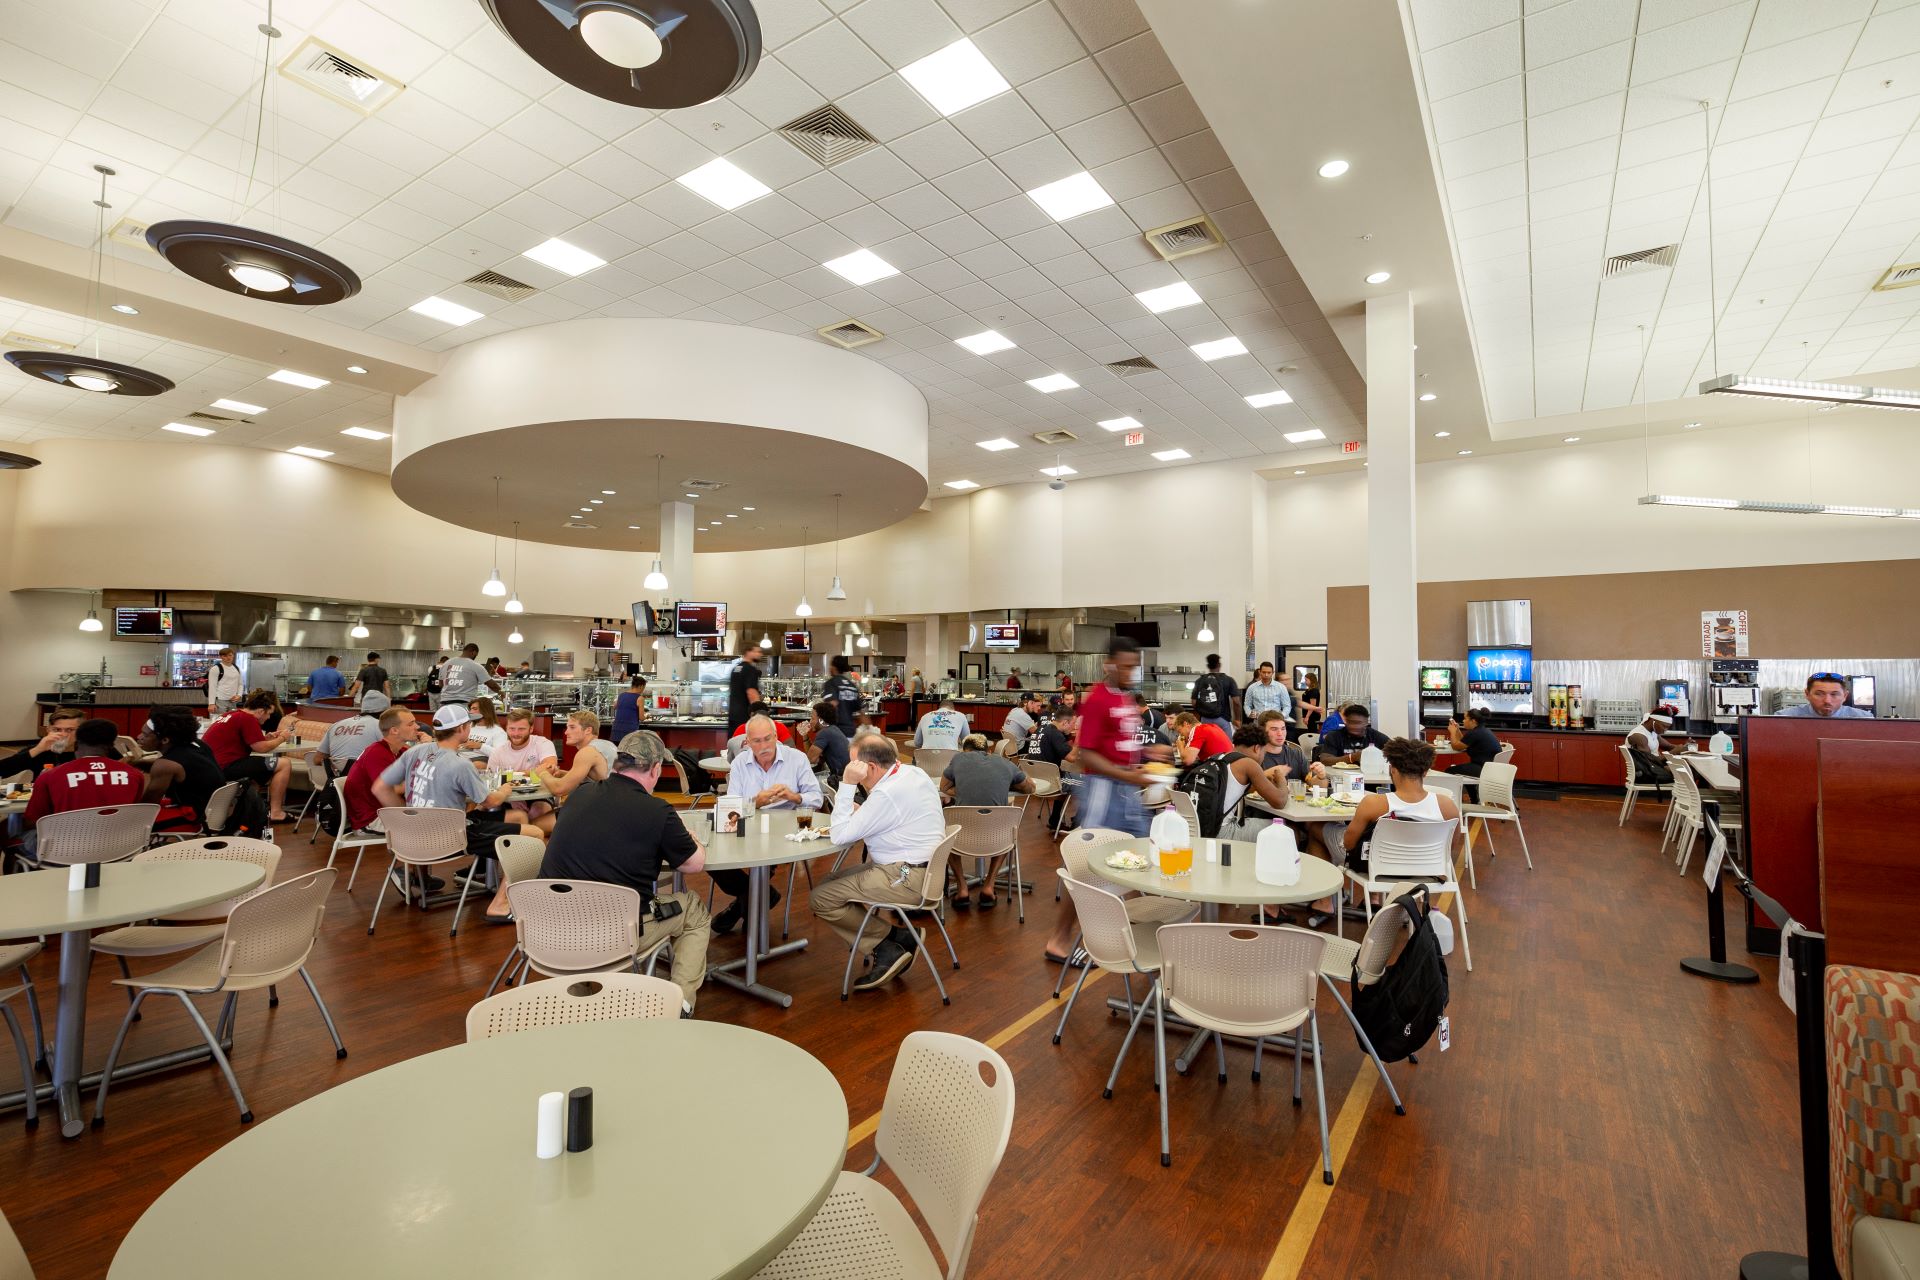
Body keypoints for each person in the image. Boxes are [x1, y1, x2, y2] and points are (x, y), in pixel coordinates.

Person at [538, 731, 712, 1013]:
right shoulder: (657, 811)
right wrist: (693, 838)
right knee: (693, 909)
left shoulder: (580, 793)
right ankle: (679, 1003)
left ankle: (586, 995)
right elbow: (694, 864)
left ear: (618, 763)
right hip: (615, 934)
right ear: (655, 770)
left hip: (553, 928)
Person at [1046, 635, 1169, 967]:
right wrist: (1128, 775)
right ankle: (1060, 939)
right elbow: (1086, 753)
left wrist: (1147, 753)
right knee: (1089, 864)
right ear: (1110, 665)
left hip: (1127, 789)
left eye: (1135, 667)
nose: (1132, 672)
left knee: (1142, 857)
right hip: (1104, 789)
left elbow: (1119, 744)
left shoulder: (1125, 699)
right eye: (1127, 666)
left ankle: (1136, 933)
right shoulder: (1098, 699)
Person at [809, 735, 948, 991]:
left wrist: (847, 783)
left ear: (871, 767)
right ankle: (900, 936)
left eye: (855, 766)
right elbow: (895, 817)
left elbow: (839, 835)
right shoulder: (912, 773)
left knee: (821, 897)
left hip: (906, 876)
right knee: (830, 881)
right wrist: (864, 812)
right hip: (920, 869)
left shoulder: (885, 793)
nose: (852, 770)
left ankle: (886, 943)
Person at [374, 704, 540, 902]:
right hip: (449, 838)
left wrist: (406, 819)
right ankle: (504, 900)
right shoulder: (461, 764)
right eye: (469, 723)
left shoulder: (415, 752)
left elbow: (379, 788)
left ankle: (485, 876)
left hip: (413, 838)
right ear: (462, 729)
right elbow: (490, 801)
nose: (471, 727)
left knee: (515, 818)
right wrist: (505, 789)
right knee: (535, 834)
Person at [707, 714, 821, 936]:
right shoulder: (740, 762)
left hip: (786, 830)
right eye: (757, 741)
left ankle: (745, 919)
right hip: (747, 828)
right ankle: (760, 895)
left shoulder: (796, 759)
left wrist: (794, 796)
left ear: (776, 737)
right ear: (747, 743)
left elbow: (816, 798)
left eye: (768, 739)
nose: (764, 746)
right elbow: (732, 805)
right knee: (712, 858)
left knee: (763, 858)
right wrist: (754, 803)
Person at [1332, 737, 1460, 885]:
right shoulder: (1447, 805)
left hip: (1375, 869)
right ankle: (1382, 900)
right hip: (1427, 870)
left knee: (1317, 829)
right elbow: (1448, 848)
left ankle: (1325, 902)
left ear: (1392, 769)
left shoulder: (1373, 803)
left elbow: (1348, 844)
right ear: (1425, 772)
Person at [940, 735, 1033, 911]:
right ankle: (989, 886)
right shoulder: (1004, 762)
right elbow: (1030, 788)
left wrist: (963, 788)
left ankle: (962, 889)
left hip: (961, 840)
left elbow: (944, 787)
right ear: (988, 751)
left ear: (964, 750)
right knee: (1007, 829)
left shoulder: (958, 759)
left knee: (947, 833)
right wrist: (1003, 785)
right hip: (997, 840)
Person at [23, 718, 147, 830]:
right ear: (111, 746)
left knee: (11, 831)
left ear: (77, 745)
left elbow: (34, 821)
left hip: (64, 849)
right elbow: (134, 814)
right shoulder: (135, 775)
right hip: (120, 848)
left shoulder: (50, 776)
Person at [204, 689, 297, 822]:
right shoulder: (248, 719)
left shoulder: (232, 714)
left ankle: (250, 812)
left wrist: (267, 738)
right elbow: (261, 749)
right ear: (260, 711)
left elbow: (250, 742)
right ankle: (276, 812)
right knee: (284, 764)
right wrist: (282, 737)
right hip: (226, 767)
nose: (269, 717)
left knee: (255, 774)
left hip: (212, 767)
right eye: (269, 713)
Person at [138, 708, 226, 831]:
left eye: (145, 735)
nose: (139, 737)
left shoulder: (165, 765)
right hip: (215, 813)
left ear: (165, 740)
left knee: (129, 821)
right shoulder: (198, 745)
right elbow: (179, 765)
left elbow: (146, 808)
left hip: (193, 819)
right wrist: (136, 764)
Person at [342, 707, 420, 835]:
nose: (417, 727)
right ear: (394, 730)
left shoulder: (401, 752)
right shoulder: (376, 753)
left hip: (388, 812)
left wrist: (428, 749)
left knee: (438, 816)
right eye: (411, 724)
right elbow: (391, 789)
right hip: (371, 819)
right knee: (431, 825)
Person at [316, 691, 395, 775]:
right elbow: (397, 756)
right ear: (385, 713)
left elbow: (317, 759)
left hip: (336, 782)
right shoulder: (381, 727)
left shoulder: (336, 725)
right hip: (363, 782)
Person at [0, 706, 87, 780]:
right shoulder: (39, 751)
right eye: (57, 730)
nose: (63, 734)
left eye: (69, 730)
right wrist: (38, 749)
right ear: (48, 730)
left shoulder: (89, 752)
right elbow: (2, 771)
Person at [1254, 710, 1315, 786]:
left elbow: (1313, 784)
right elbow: (1247, 790)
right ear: (1262, 731)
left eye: (1283, 729)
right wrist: (1266, 775)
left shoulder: (1296, 754)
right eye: (1274, 729)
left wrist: (1321, 777)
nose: (1280, 733)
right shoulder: (1254, 756)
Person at [1775, 672, 1872, 719]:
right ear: (1807, 694)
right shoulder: (1785, 718)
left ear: (1845, 696)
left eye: (1834, 694)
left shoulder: (1863, 719)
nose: (1827, 701)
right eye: (1819, 694)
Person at [1316, 705, 1389, 766]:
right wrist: (1352, 757)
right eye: (1351, 722)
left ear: (1366, 722)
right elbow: (1325, 760)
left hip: (1372, 779)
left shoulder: (1375, 736)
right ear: (1345, 721)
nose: (1354, 726)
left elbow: (1396, 753)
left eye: (1358, 723)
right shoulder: (1334, 736)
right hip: (1341, 778)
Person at [438, 643, 498, 711]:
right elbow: (492, 685)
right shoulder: (475, 665)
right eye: (476, 655)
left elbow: (440, 684)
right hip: (464, 704)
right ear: (474, 652)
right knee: (464, 721)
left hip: (445, 704)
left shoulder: (446, 663)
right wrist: (501, 692)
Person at [1445, 707, 1502, 777]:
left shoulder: (1475, 733)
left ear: (1473, 721)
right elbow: (1464, 742)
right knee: (1461, 770)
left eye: (1465, 718)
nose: (1463, 721)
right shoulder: (1482, 730)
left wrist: (1452, 732)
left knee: (1449, 771)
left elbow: (1456, 747)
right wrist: (1457, 730)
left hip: (1482, 768)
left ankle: (1469, 788)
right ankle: (1471, 788)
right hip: (1490, 767)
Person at [1191, 653, 1240, 731]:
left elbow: (1194, 702)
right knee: (1226, 742)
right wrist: (1237, 719)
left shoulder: (1200, 680)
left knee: (1207, 742)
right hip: (1223, 719)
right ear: (1219, 664)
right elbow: (1236, 702)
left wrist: (1203, 712)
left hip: (1205, 720)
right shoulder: (1228, 680)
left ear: (1208, 666)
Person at [808, 699, 851, 787]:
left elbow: (810, 759)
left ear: (821, 721)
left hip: (841, 780)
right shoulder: (833, 729)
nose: (810, 722)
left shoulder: (824, 733)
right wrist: (804, 735)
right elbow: (817, 760)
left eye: (812, 718)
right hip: (846, 778)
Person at [1626, 711, 1677, 784]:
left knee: (1689, 770)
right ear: (1653, 721)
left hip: (1654, 768)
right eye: (1664, 726)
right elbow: (1649, 760)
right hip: (1647, 773)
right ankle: (1683, 795)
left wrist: (1685, 746)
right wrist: (1674, 752)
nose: (1665, 730)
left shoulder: (1653, 732)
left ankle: (1679, 794)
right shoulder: (1639, 736)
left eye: (1667, 727)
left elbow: (1669, 746)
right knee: (1687, 774)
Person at [728, 641, 766, 734]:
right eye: (757, 652)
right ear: (748, 652)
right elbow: (751, 692)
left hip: (733, 715)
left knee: (735, 744)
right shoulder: (750, 669)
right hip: (745, 717)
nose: (760, 654)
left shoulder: (736, 668)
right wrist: (759, 715)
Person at [821, 655, 862, 734]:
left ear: (834, 667)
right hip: (851, 731)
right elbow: (861, 712)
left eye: (830, 665)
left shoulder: (831, 683)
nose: (829, 668)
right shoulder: (852, 685)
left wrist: (825, 726)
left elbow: (832, 705)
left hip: (837, 731)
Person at [205, 647, 244, 714]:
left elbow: (240, 684)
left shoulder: (236, 668)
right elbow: (212, 686)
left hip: (233, 701)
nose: (228, 658)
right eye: (225, 656)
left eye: (230, 655)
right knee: (219, 721)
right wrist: (211, 703)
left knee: (231, 722)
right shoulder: (215, 669)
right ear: (221, 657)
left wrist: (239, 695)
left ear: (233, 656)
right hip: (220, 700)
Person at [1001, 691, 1041, 756]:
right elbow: (1037, 733)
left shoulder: (1014, 710)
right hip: (1019, 748)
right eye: (1032, 703)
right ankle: (1035, 765)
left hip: (1009, 747)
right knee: (1043, 743)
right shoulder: (1023, 715)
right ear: (1025, 703)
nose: (1033, 705)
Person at [611, 675, 648, 740]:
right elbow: (641, 718)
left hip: (616, 729)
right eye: (643, 688)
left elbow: (614, 706)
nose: (643, 690)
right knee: (628, 749)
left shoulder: (621, 695)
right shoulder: (640, 698)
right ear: (640, 686)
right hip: (630, 730)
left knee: (617, 749)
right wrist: (647, 716)